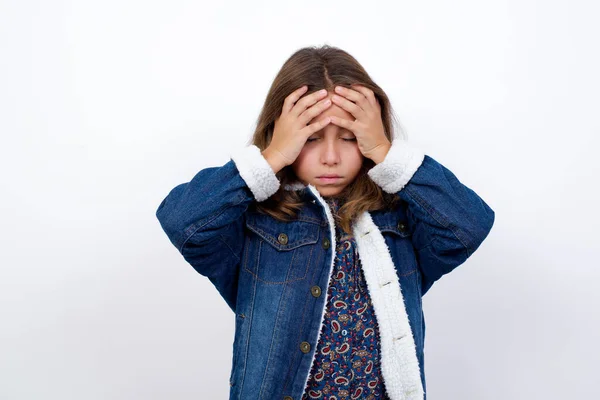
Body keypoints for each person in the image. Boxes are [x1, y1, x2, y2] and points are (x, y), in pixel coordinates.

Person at [155, 45, 495, 400]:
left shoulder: (400, 216)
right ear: (281, 133)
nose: (331, 157)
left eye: (349, 139)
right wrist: (271, 157)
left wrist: (386, 153)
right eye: (311, 138)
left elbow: (468, 225)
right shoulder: (255, 221)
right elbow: (183, 223)